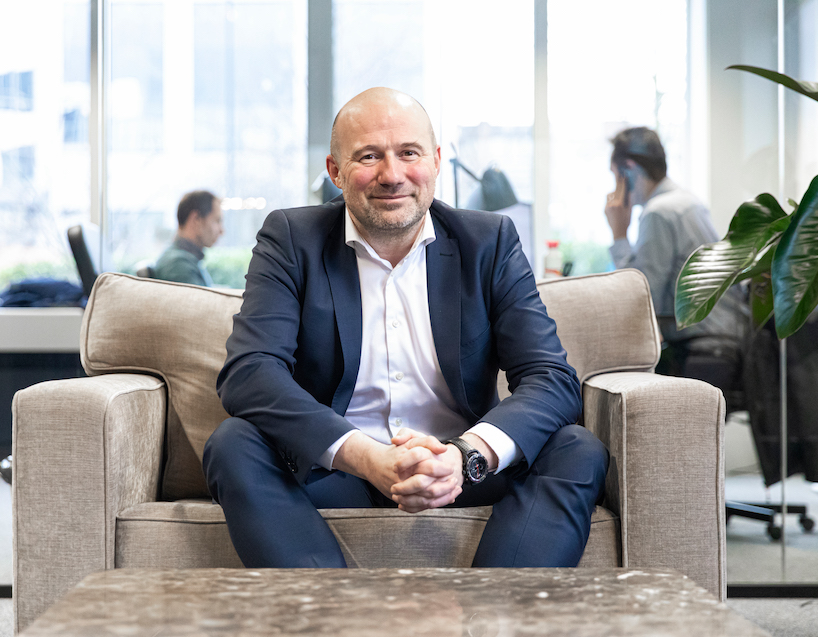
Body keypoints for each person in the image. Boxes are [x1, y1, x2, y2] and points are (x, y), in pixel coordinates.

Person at [204, 87, 608, 569]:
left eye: (409, 153)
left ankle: (491, 608)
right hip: (340, 472)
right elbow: (250, 373)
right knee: (233, 443)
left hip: (461, 470)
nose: (392, 175)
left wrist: (464, 457)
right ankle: (330, 610)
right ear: (335, 171)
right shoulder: (292, 240)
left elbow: (551, 378)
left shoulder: (488, 242)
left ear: (435, 161)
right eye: (368, 156)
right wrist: (368, 458)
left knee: (577, 448)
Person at [603, 126, 746, 377]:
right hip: (725, 340)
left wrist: (619, 235)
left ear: (629, 170)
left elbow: (641, 296)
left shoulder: (659, 212)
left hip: (704, 348)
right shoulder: (687, 202)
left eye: (616, 176)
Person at [153, 190, 223, 286]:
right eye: (217, 221)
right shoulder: (178, 266)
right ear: (196, 219)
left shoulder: (187, 260)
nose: (221, 231)